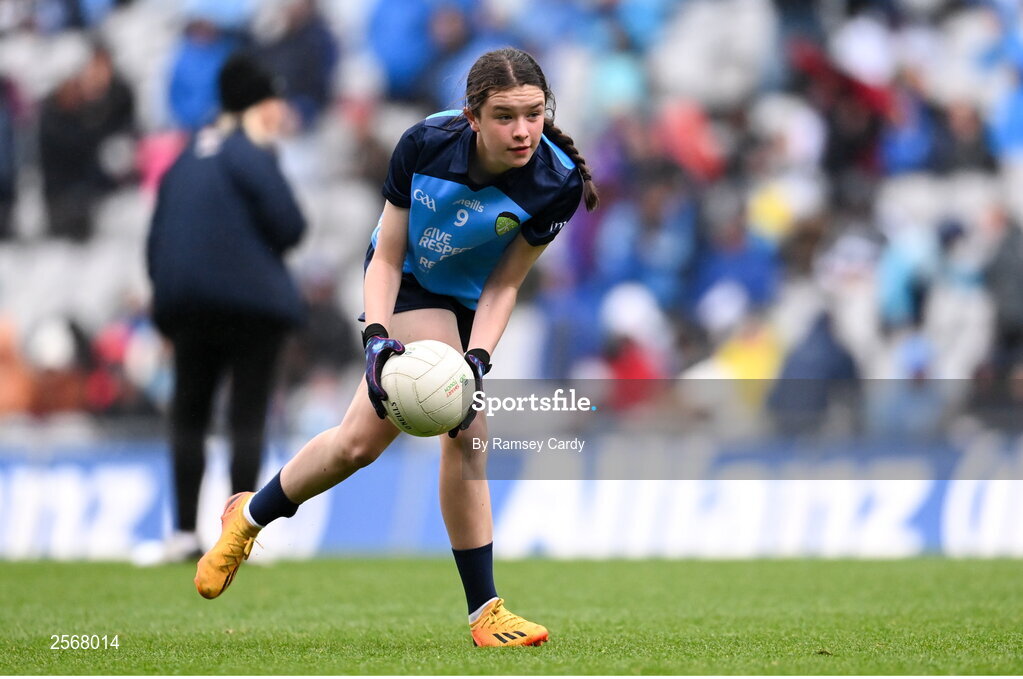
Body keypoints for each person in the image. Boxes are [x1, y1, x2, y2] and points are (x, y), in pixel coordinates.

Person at [193, 47, 599, 647]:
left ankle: (248, 515)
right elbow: (385, 254)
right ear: (472, 117)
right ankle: (486, 613)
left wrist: (479, 358)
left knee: (356, 445)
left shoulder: (556, 181)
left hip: (469, 300)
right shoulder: (424, 144)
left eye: (534, 114)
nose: (522, 131)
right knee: (466, 429)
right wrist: (377, 339)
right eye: (505, 116)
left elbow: (506, 283)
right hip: (407, 283)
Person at [146, 54, 306, 562]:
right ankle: (242, 535)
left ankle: (182, 534)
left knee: (188, 415)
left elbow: (156, 243)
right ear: (260, 105)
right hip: (251, 307)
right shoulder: (252, 152)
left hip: (185, 305)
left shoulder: (184, 156)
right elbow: (291, 226)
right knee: (246, 416)